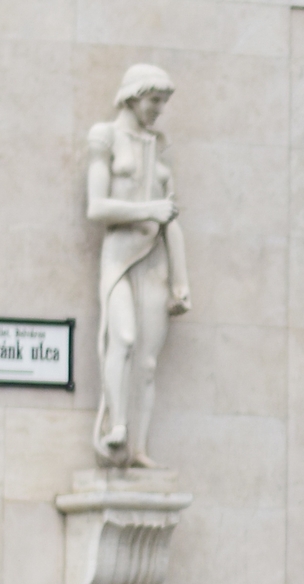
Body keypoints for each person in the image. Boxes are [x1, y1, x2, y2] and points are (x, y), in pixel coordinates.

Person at [86, 64, 191, 470]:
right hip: (118, 256)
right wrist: (149, 208)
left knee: (147, 361)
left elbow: (172, 222)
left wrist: (181, 283)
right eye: (153, 101)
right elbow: (97, 208)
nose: (157, 111)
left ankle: (139, 449)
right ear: (133, 96)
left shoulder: (158, 150)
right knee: (124, 338)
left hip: (155, 261)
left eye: (163, 104)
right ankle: (117, 425)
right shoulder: (105, 137)